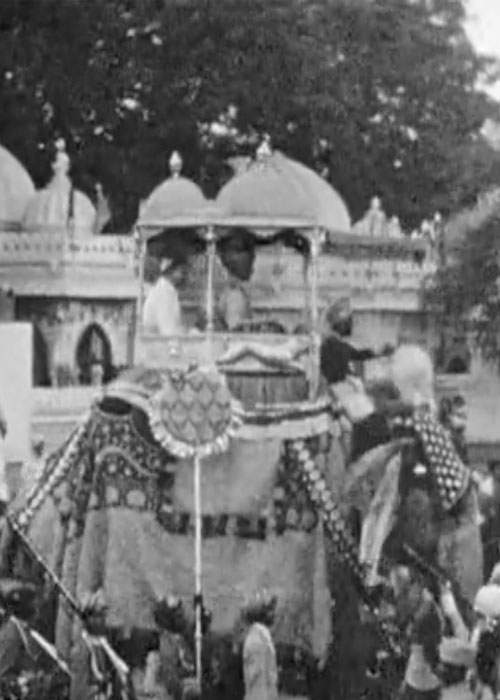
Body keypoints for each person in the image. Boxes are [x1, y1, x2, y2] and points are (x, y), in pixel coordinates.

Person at [241, 591, 279, 700]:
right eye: (270, 610)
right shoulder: (257, 639)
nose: (274, 615)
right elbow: (256, 677)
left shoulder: (261, 636)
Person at [142, 258, 187, 336]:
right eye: (181, 271)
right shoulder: (164, 290)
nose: (183, 275)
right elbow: (168, 329)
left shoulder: (166, 289)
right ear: (171, 271)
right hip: (159, 342)